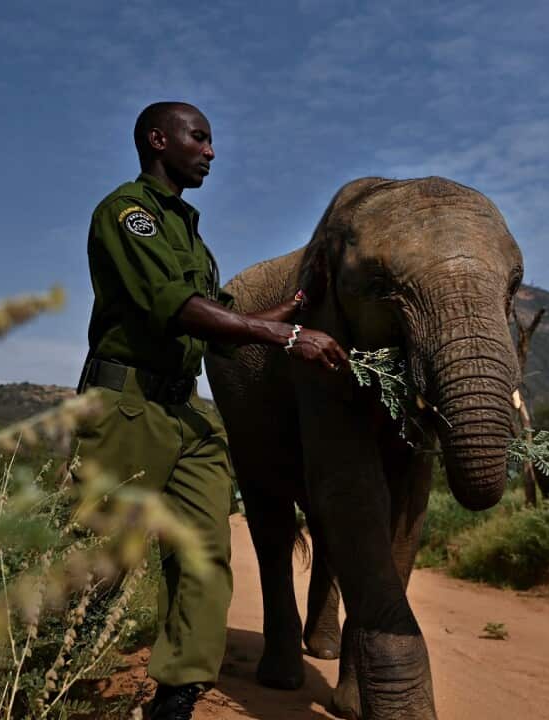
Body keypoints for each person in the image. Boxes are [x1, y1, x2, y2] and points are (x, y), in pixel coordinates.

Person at [75, 101, 347, 720]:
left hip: (186, 411)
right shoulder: (129, 214)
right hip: (127, 406)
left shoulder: (192, 233)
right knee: (102, 556)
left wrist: (301, 303)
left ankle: (177, 697)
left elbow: (223, 324)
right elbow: (177, 306)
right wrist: (288, 338)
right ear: (157, 139)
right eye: (199, 137)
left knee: (204, 554)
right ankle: (53, 671)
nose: (211, 150)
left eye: (210, 139)